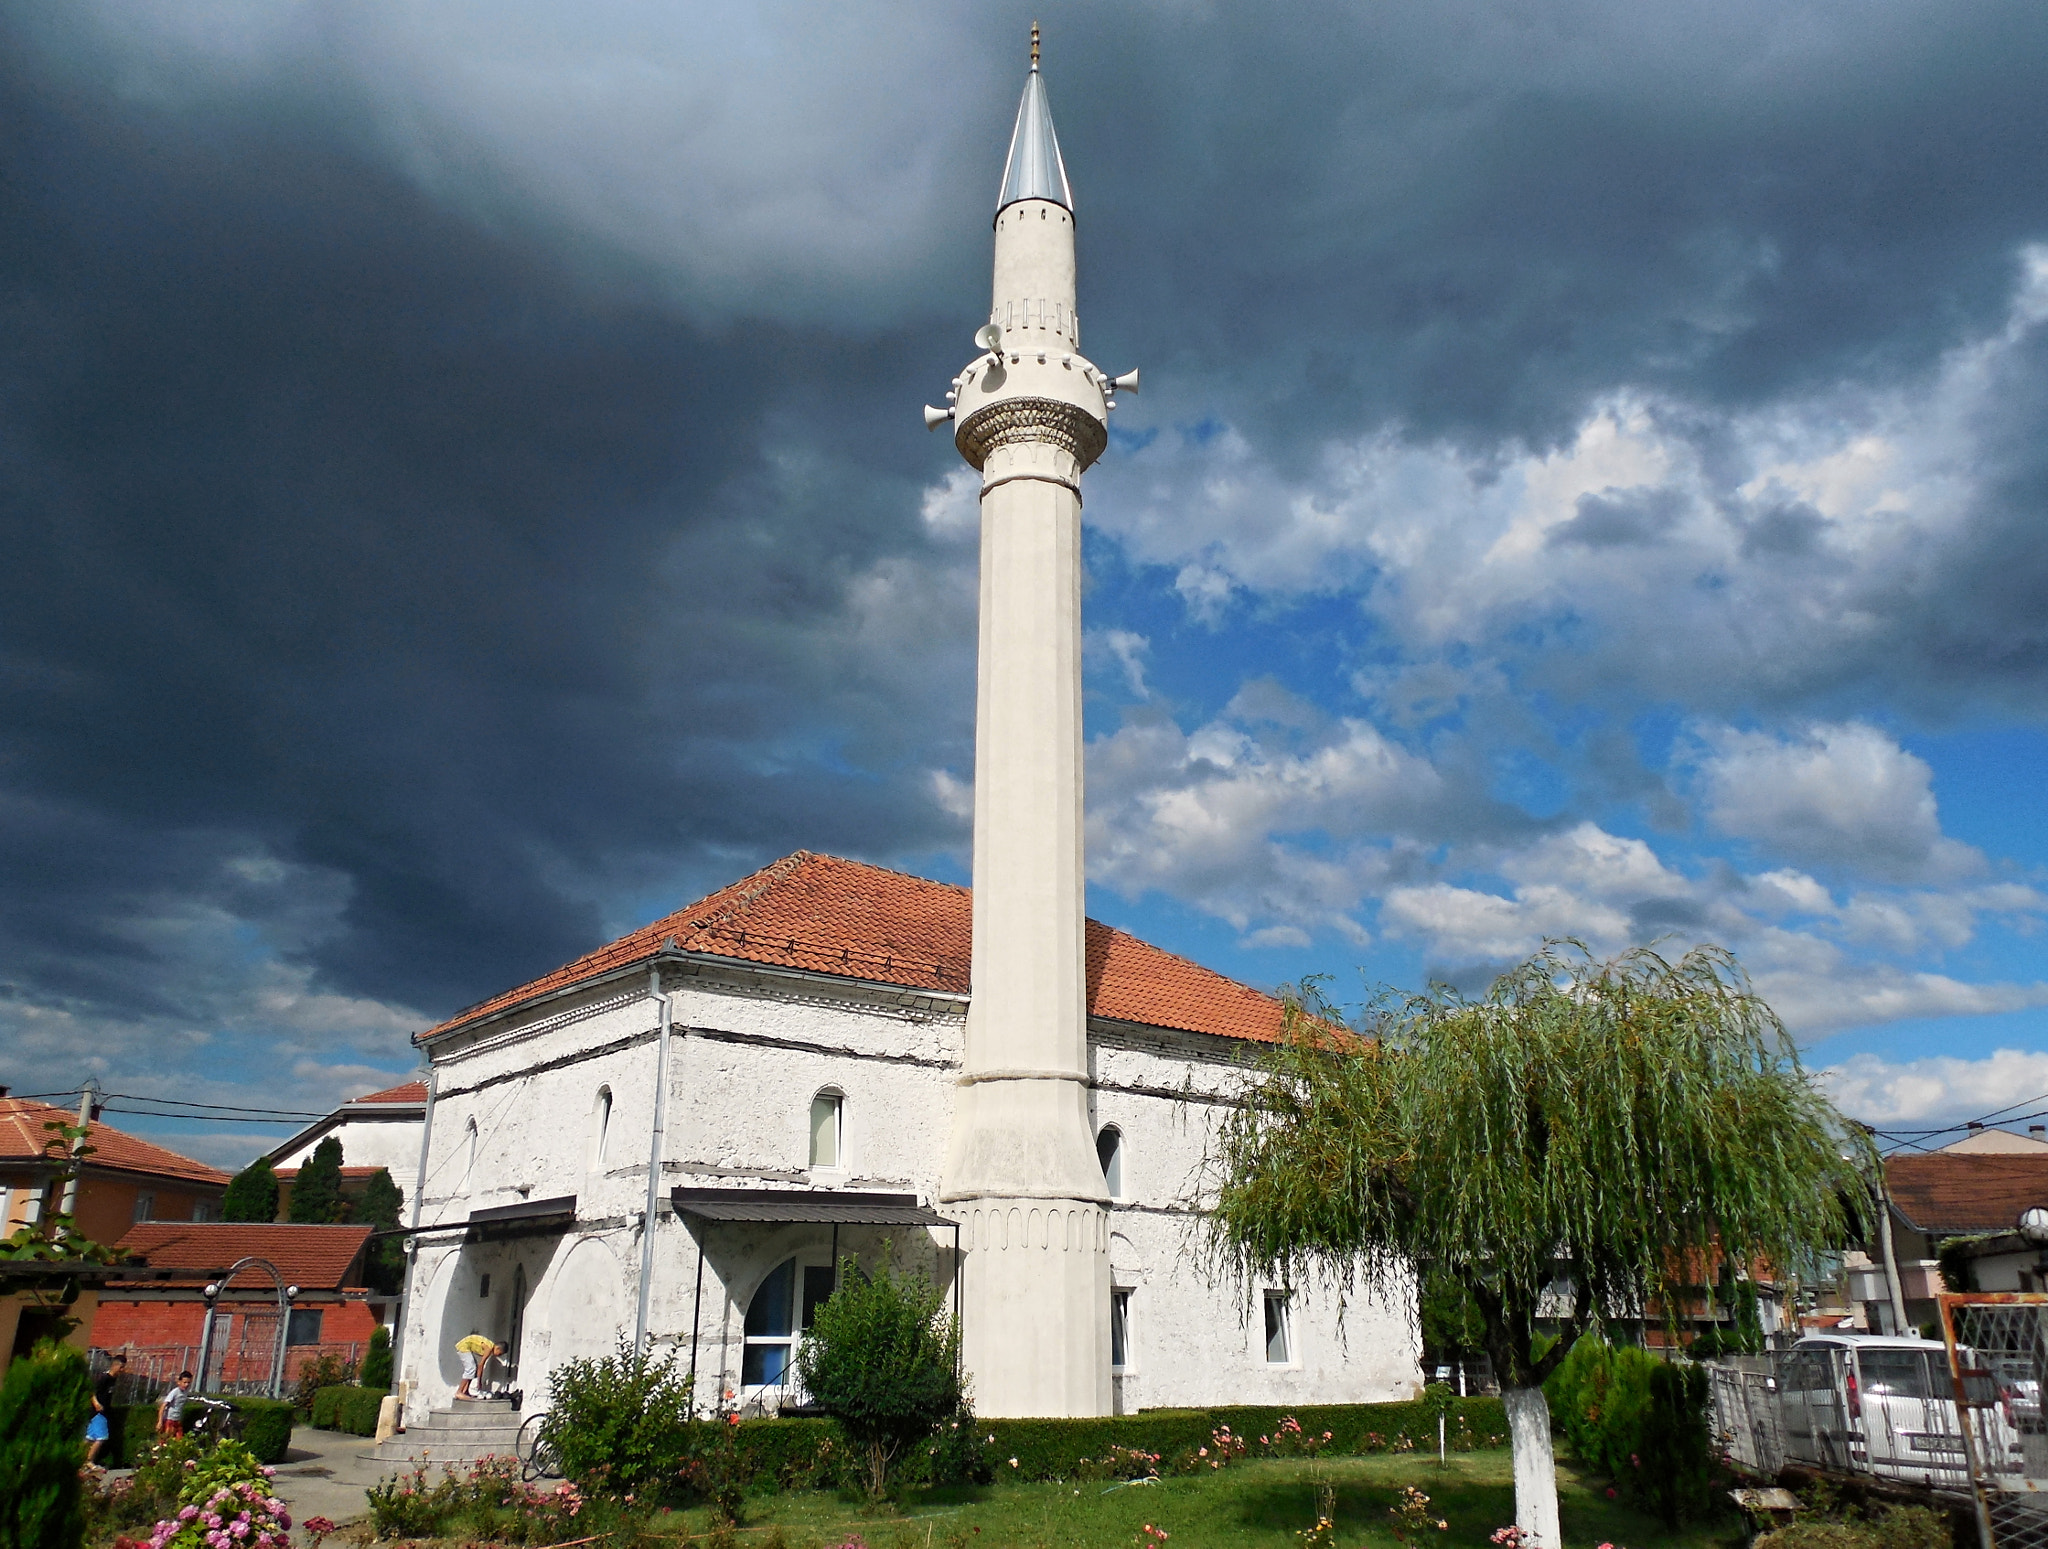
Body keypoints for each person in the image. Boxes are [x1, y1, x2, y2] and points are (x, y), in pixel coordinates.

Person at [86, 1352, 125, 1463]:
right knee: (101, 1437)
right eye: (121, 1367)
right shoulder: (104, 1378)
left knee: (90, 1437)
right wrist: (96, 1403)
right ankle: (88, 1461)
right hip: (98, 1412)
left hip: (104, 1412)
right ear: (115, 1365)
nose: (122, 1370)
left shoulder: (113, 1379)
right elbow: (92, 1391)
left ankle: (79, 1458)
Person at [453, 1334, 504, 1400]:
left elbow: (479, 1367)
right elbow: (481, 1365)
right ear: (497, 1348)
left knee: (473, 1369)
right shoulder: (488, 1348)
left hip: (466, 1347)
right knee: (471, 1368)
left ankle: (465, 1391)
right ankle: (459, 1392)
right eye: (499, 1354)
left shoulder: (490, 1346)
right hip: (463, 1347)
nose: (498, 1356)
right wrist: (479, 1382)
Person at [157, 1370, 193, 1439]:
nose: (186, 1385)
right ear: (179, 1382)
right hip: (169, 1419)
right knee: (166, 1439)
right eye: (184, 1382)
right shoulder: (174, 1392)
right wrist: (160, 1421)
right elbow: (163, 1406)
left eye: (188, 1383)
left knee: (179, 1441)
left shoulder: (185, 1392)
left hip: (177, 1420)